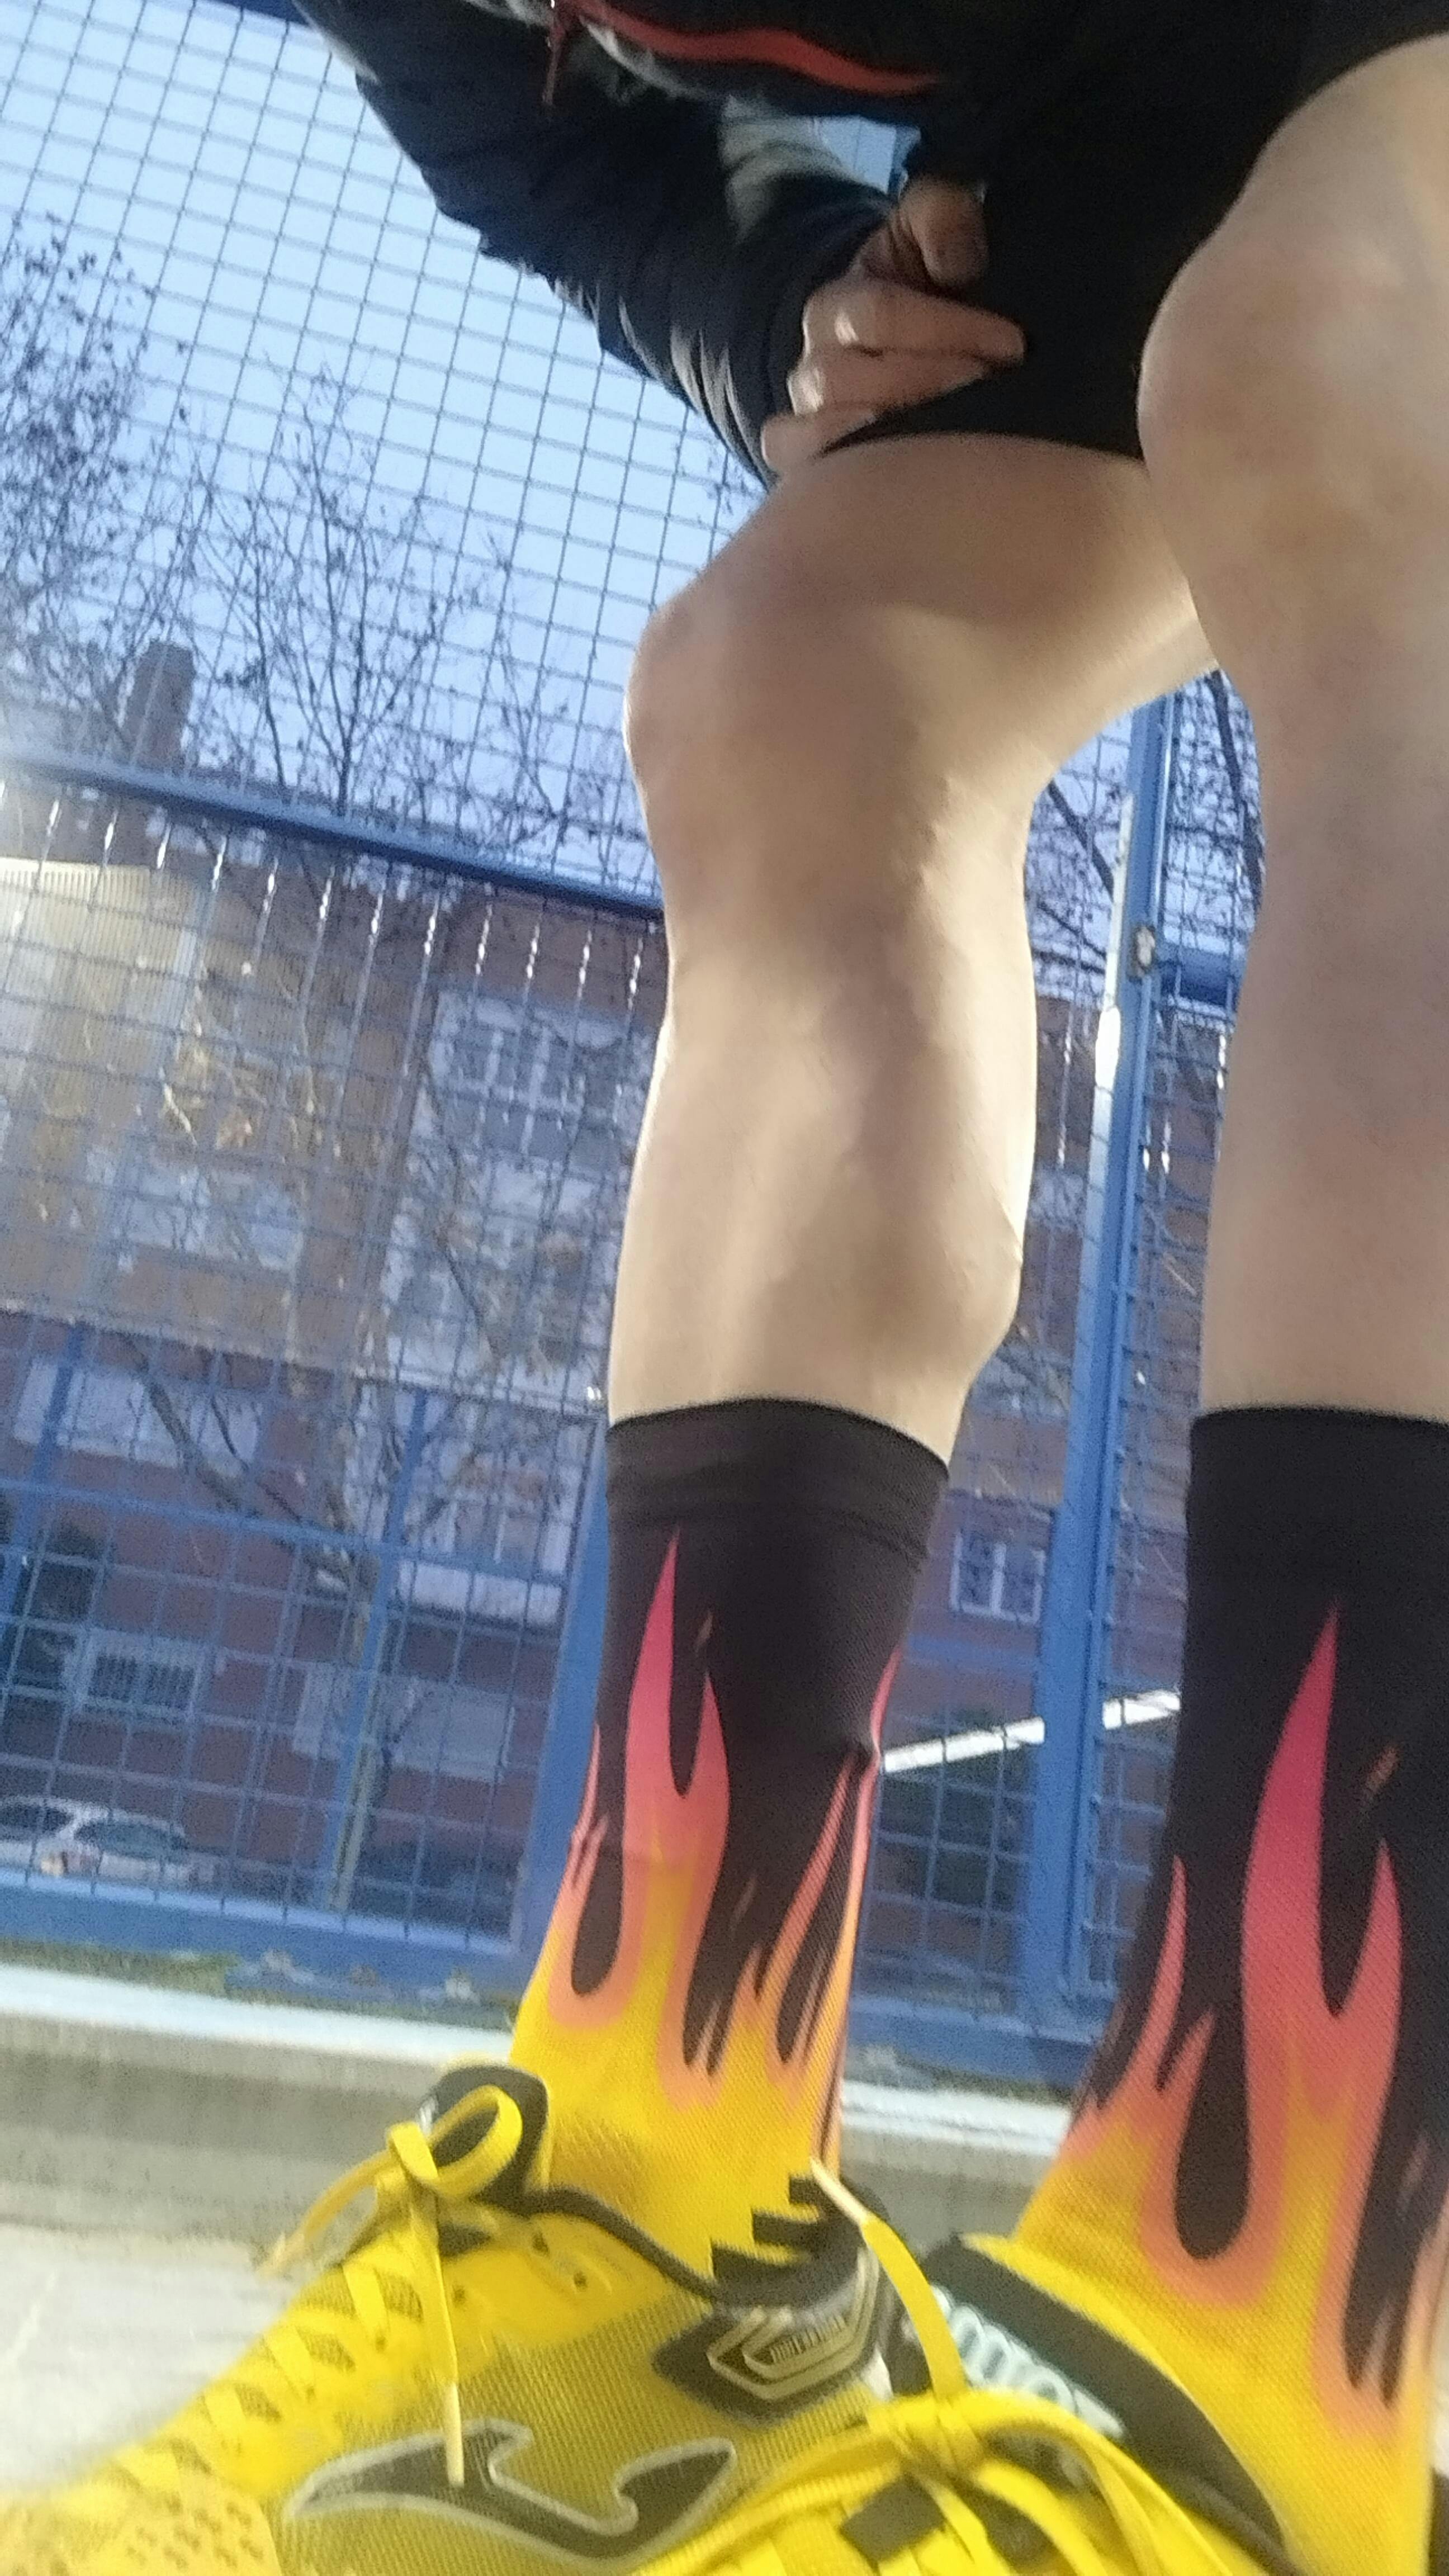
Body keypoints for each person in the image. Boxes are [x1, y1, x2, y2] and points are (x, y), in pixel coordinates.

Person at [7, 2, 1449, 2572]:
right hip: (1113, 92)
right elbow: (551, 165)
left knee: (1336, 372)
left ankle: (1276, 2354)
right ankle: (653, 2210)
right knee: (800, 688)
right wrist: (766, 298)